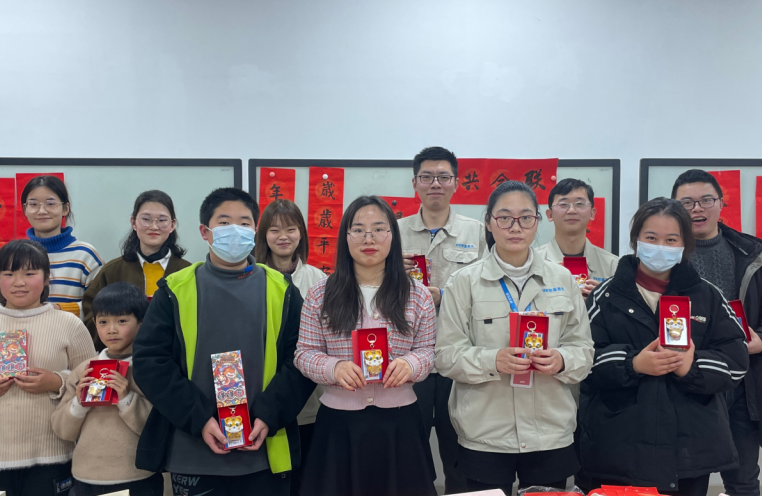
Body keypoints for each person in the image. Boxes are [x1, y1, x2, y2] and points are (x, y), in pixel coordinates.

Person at [132, 187, 314, 496]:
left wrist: (269, 414)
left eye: (244, 223)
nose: (235, 231)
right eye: (225, 223)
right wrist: (200, 419)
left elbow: (300, 359)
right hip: (193, 450)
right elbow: (151, 363)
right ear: (205, 231)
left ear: (255, 231)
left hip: (265, 449)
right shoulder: (174, 290)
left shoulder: (282, 290)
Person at [580, 197, 750, 496]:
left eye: (671, 239)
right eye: (651, 238)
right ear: (636, 240)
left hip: (690, 450)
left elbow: (736, 361)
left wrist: (691, 367)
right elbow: (582, 360)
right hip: (618, 448)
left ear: (685, 243)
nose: (660, 246)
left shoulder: (707, 295)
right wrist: (633, 364)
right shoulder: (604, 296)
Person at [436, 181, 594, 494]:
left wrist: (562, 360)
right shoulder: (463, 282)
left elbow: (584, 349)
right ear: (489, 222)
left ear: (538, 221)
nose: (515, 227)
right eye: (505, 217)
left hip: (550, 431)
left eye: (525, 218)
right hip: (485, 433)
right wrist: (492, 360)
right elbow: (445, 355)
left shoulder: (562, 278)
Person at [295, 195, 437, 496]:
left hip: (401, 423)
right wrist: (334, 368)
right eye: (358, 230)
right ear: (345, 236)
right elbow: (304, 353)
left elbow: (428, 351)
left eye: (379, 229)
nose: (368, 238)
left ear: (392, 236)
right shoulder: (320, 294)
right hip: (338, 424)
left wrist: (411, 364)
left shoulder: (418, 294)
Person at [397, 146, 486, 494]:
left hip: (458, 360)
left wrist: (444, 296)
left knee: (460, 452)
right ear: (415, 183)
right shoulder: (393, 232)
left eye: (443, 177)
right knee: (409, 452)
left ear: (456, 183)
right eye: (427, 177)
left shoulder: (477, 232)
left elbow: (488, 291)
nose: (435, 183)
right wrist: (393, 273)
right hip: (407, 362)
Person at [671, 169, 762, 496]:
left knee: (743, 481)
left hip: (743, 383)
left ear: (721, 203)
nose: (697, 209)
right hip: (687, 380)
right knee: (686, 481)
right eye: (687, 202)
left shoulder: (752, 253)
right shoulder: (665, 256)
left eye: (706, 200)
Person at [0, 240, 96, 496]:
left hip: (52, 454)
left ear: (46, 279)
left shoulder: (69, 324)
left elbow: (94, 384)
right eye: (8, 274)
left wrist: (58, 382)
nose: (19, 282)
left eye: (29, 273)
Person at [51, 282, 162, 496]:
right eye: (103, 322)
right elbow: (63, 431)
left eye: (122, 321)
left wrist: (126, 398)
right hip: (85, 475)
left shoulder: (151, 369)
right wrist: (79, 403)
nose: (112, 329)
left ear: (141, 322)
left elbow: (157, 429)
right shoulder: (84, 370)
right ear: (94, 323)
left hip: (136, 476)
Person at [254, 199, 326, 496]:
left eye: (291, 229)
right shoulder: (250, 276)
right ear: (263, 235)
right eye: (274, 230)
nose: (283, 237)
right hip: (261, 394)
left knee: (305, 479)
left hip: (308, 399)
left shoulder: (318, 279)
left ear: (302, 234)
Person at [83, 190, 191, 349]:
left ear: (172, 225)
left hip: (173, 357)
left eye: (162, 220)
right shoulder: (112, 271)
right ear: (133, 222)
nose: (154, 226)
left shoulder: (187, 272)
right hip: (123, 357)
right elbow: (91, 315)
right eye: (146, 219)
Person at [22, 176, 103, 317]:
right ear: (25, 209)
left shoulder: (85, 254)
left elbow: (102, 305)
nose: (42, 211)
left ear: (65, 208)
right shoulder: (14, 256)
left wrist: (57, 310)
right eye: (33, 204)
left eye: (50, 203)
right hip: (21, 330)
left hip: (71, 330)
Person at [537, 178, 619, 297]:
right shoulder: (532, 261)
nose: (571, 210)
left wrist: (604, 300)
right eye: (563, 204)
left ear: (592, 213)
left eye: (579, 204)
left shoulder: (613, 266)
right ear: (550, 215)